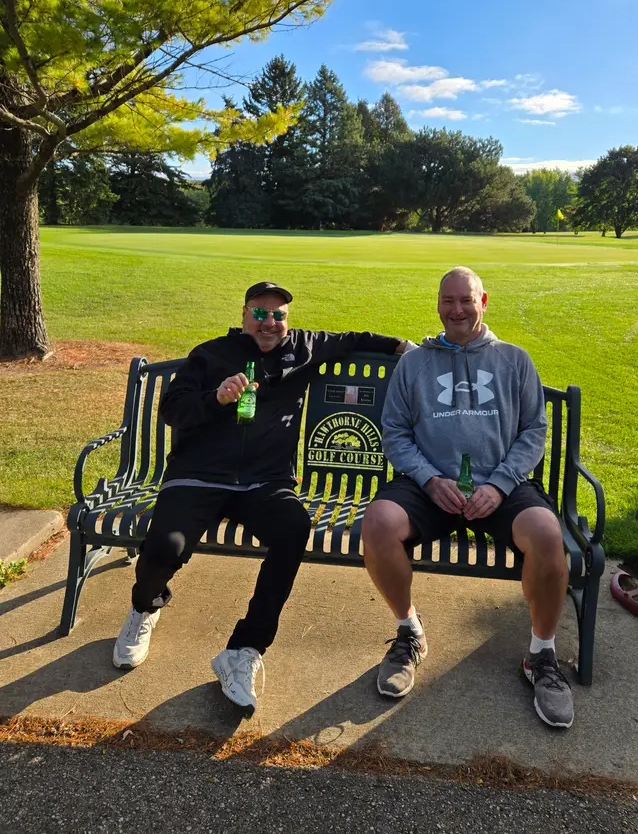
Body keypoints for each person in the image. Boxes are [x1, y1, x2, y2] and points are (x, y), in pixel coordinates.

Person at [113, 280, 410, 714]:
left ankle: (244, 650)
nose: (269, 322)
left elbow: (354, 339)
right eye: (259, 313)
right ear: (243, 315)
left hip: (264, 482)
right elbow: (172, 411)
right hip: (198, 476)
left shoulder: (303, 348)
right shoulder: (210, 354)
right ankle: (145, 606)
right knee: (165, 547)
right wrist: (216, 397)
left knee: (293, 529)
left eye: (278, 315)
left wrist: (407, 348)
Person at [362, 267, 574, 728]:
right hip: (430, 486)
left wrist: (499, 485)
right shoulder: (414, 364)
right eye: (448, 300)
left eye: (466, 300)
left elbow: (534, 431)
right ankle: (409, 632)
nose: (456, 310)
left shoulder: (514, 360)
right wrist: (428, 479)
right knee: (377, 522)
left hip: (499, 484)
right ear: (438, 304)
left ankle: (541, 655)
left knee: (546, 533)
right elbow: (394, 431)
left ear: (483, 302)